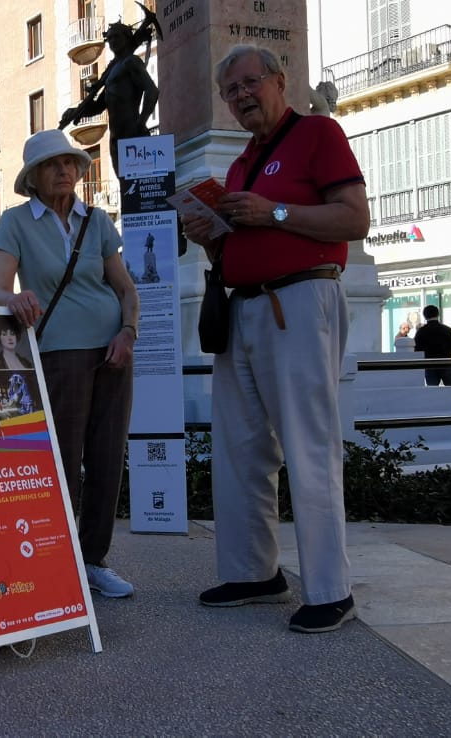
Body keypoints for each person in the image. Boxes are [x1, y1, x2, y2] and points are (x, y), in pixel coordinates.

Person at [179, 44, 370, 633]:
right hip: (244, 310)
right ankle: (253, 573)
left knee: (308, 446)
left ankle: (330, 590)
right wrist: (211, 234)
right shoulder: (241, 163)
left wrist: (275, 215)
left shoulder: (318, 134)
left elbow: (354, 219)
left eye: (248, 83)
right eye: (231, 91)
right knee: (239, 450)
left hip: (299, 299)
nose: (240, 97)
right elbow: (246, 233)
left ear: (279, 81)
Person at [0, 128, 140, 599]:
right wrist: (14, 298)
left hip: (113, 350)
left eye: (71, 163)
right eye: (54, 164)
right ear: (33, 176)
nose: (65, 171)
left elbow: (126, 288)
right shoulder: (15, 222)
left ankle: (93, 560)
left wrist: (128, 332)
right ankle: (57, 560)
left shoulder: (95, 221)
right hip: (58, 353)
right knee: (62, 458)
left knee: (108, 456)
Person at [58, 18, 159, 177]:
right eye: (110, 38)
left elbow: (152, 90)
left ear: (126, 37)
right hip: (116, 137)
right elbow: (99, 106)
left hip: (132, 132)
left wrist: (141, 122)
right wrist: (76, 111)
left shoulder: (130, 62)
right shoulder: (112, 71)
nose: (112, 41)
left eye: (116, 36)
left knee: (138, 188)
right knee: (125, 187)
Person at [413, 305, 451, 386]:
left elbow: (416, 349)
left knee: (432, 392)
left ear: (425, 316)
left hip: (429, 364)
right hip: (446, 363)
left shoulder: (421, 332)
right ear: (438, 314)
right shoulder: (447, 330)